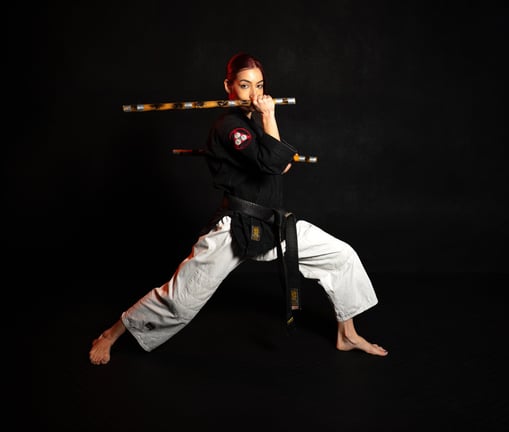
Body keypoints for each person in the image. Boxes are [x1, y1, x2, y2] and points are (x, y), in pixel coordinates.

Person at [89, 52, 387, 365]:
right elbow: (273, 162)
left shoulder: (251, 124)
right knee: (180, 299)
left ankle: (347, 334)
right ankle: (111, 334)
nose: (254, 94)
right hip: (234, 229)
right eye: (245, 86)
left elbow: (274, 163)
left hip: (272, 225)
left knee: (341, 256)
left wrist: (276, 157)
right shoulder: (230, 126)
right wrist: (271, 124)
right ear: (228, 86)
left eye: (260, 86)